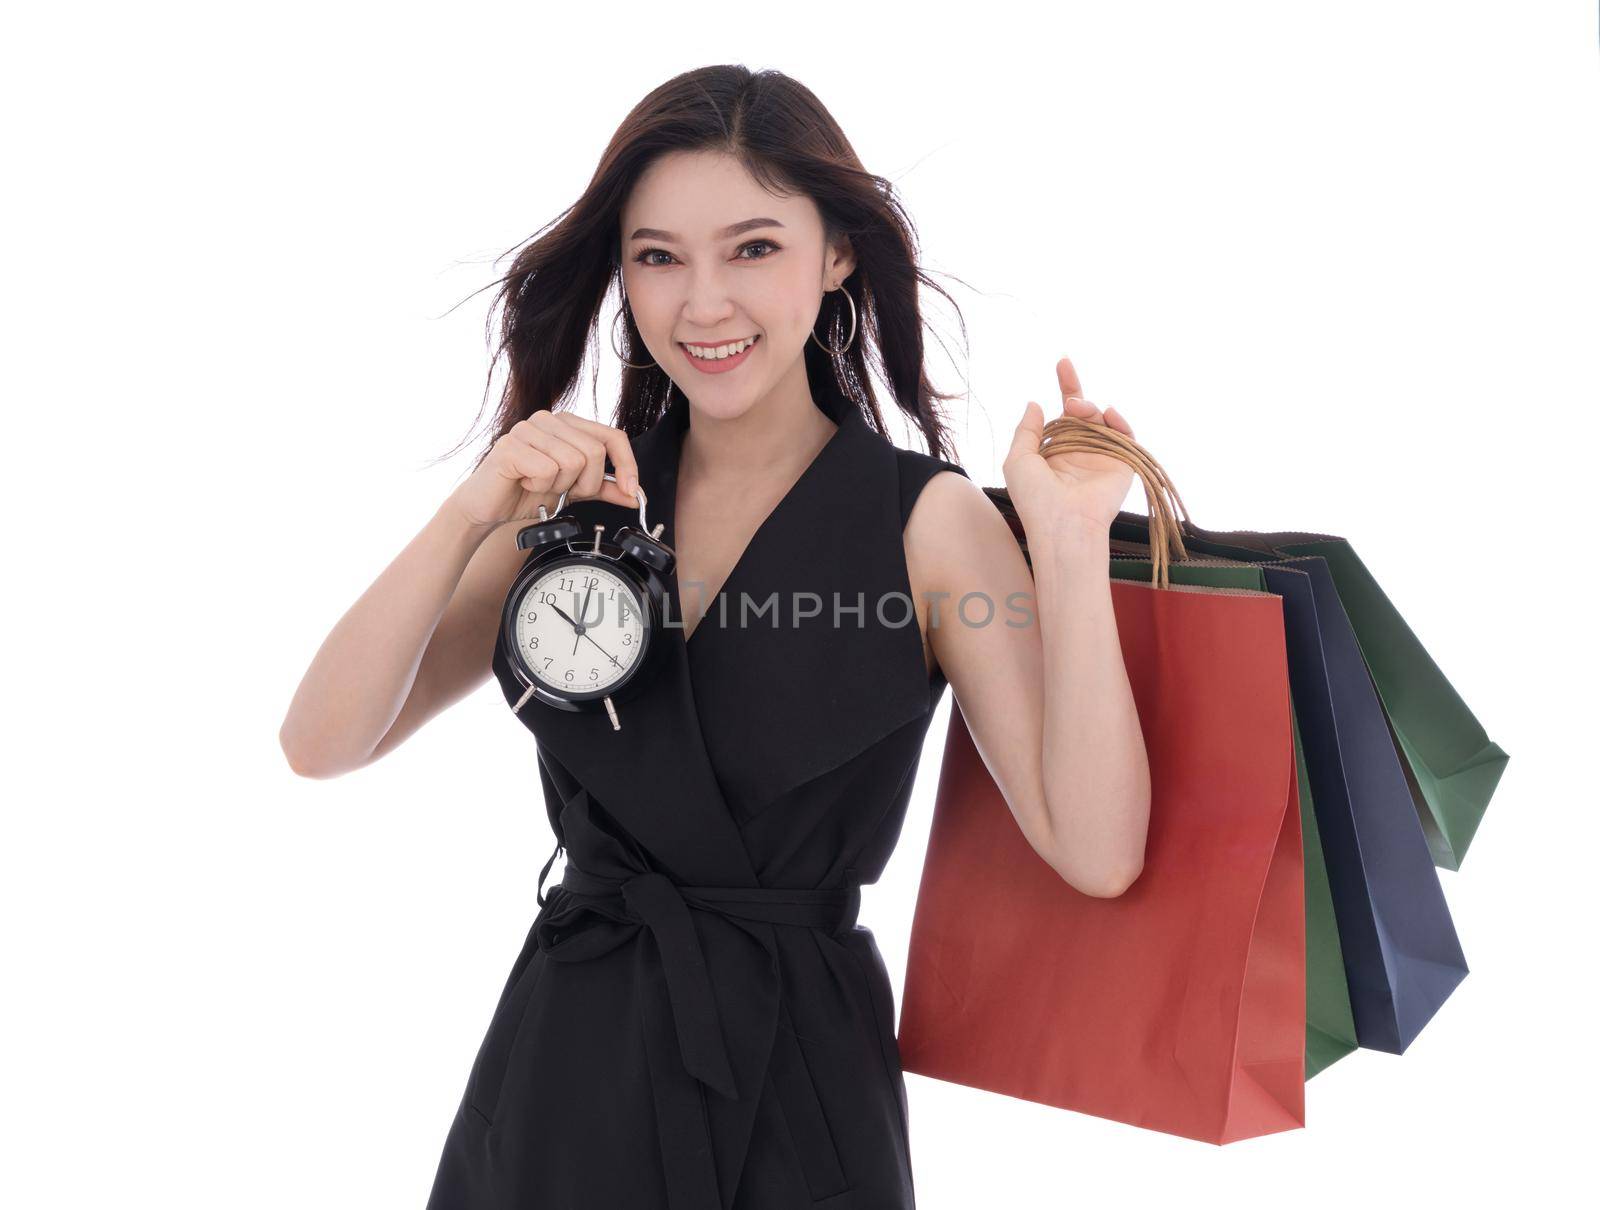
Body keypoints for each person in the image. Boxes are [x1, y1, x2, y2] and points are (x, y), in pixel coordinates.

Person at [279, 64, 1151, 1210]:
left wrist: (1070, 539)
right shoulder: (570, 506)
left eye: (752, 248)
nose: (703, 304)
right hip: (564, 1083)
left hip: (801, 1091)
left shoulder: (928, 525)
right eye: (658, 256)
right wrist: (468, 513)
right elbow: (321, 741)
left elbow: (1097, 853)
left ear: (836, 254)